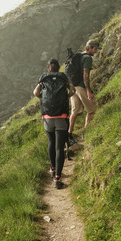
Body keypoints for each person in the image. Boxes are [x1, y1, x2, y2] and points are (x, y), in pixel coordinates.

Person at [33, 58, 75, 187]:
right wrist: (65, 98)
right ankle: (57, 179)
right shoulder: (63, 77)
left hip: (47, 117)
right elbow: (73, 91)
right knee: (59, 147)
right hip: (61, 117)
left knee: (51, 142)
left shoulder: (44, 78)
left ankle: (52, 169)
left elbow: (35, 92)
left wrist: (42, 99)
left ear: (48, 68)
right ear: (58, 68)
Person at [69, 38, 99, 138]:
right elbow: (85, 75)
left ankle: (69, 133)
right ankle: (86, 133)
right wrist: (88, 91)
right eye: (95, 49)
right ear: (90, 48)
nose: (96, 51)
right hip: (81, 87)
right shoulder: (87, 58)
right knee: (92, 110)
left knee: (75, 112)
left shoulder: (78, 56)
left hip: (73, 87)